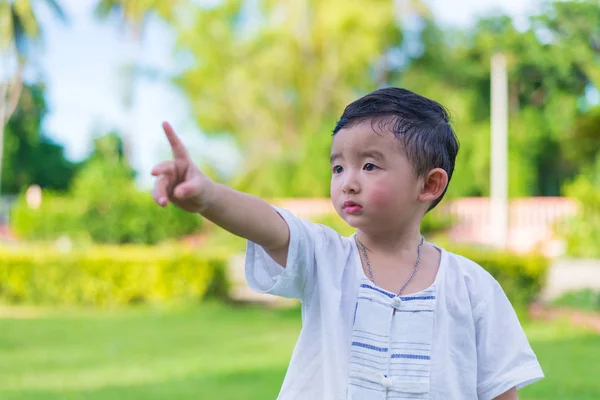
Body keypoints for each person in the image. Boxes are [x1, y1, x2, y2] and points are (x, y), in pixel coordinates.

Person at [152, 87, 544, 400]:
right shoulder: (327, 257)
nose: (347, 181)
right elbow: (268, 225)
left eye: (369, 165)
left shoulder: (472, 287)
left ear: (429, 184)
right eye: (338, 166)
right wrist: (208, 197)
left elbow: (498, 388)